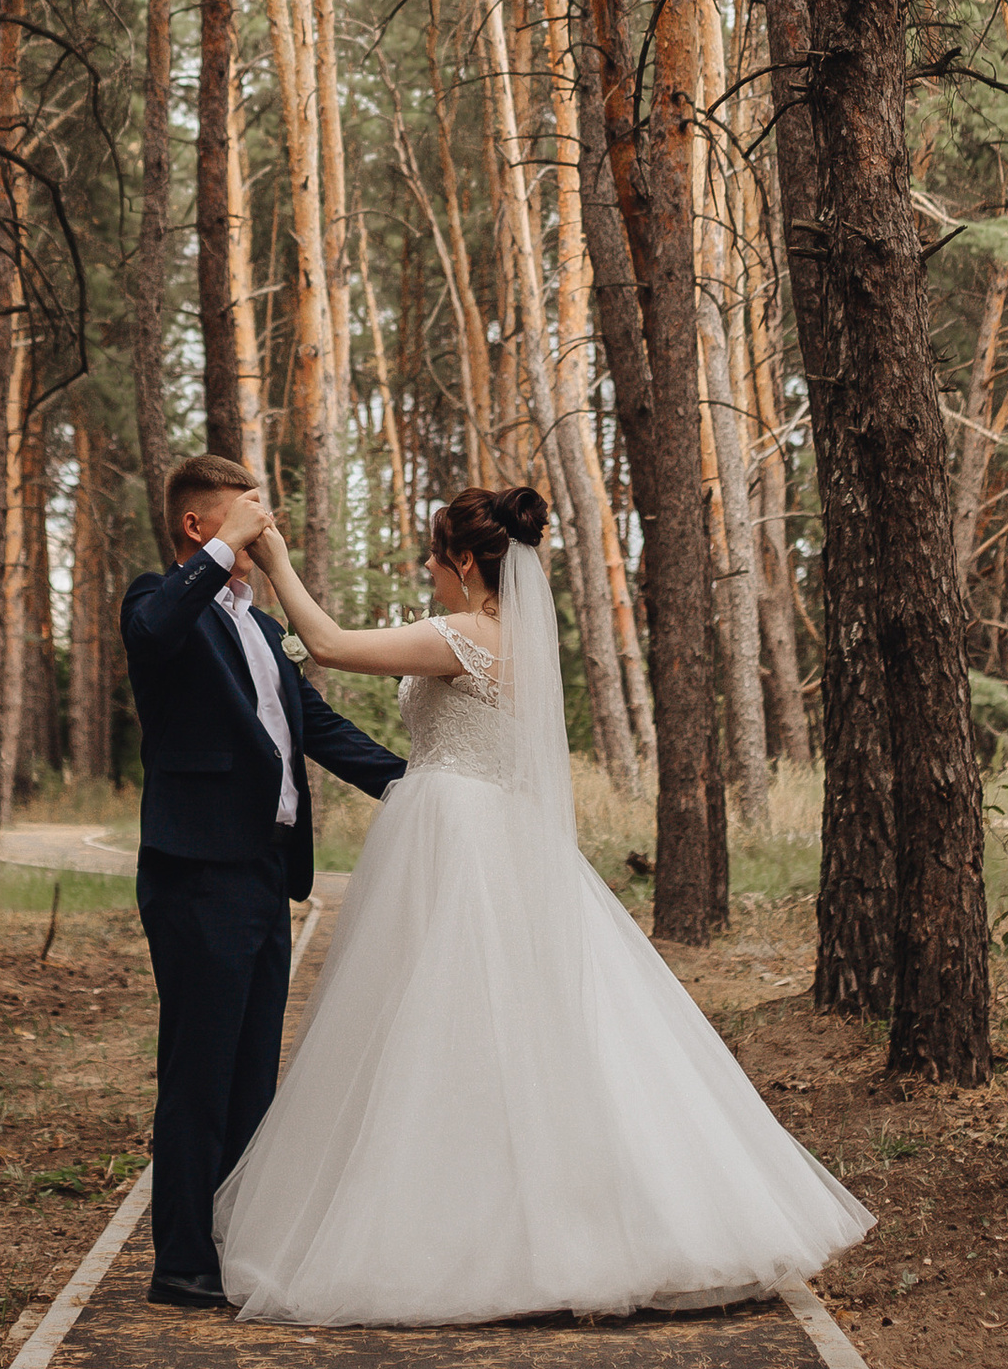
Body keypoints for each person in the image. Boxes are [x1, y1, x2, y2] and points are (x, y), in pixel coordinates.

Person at [216, 481, 872, 1325]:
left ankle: (466, 1232)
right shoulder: (517, 639)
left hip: (456, 839)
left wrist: (272, 553)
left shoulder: (463, 635)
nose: (426, 568)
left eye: (433, 555)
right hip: (499, 834)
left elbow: (330, 646)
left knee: (443, 1027)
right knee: (516, 1027)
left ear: (463, 562)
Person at [119, 451, 406, 1311]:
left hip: (261, 869)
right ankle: (180, 1263)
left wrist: (408, 782)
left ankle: (236, 1240)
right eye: (247, 517)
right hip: (196, 870)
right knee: (199, 1071)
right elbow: (152, 633)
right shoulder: (160, 599)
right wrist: (220, 555)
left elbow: (309, 720)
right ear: (196, 528)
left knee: (251, 1074)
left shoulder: (253, 624)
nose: (264, 530)